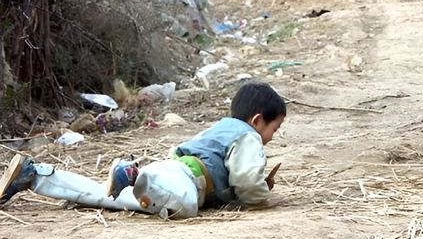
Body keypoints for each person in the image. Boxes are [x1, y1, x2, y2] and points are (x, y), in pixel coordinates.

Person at [0, 81, 286, 219]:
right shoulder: (248, 135)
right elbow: (247, 181)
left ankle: (35, 175)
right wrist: (262, 196)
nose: (271, 138)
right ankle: (133, 176)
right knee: (184, 208)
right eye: (273, 129)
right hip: (184, 180)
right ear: (257, 120)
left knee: (106, 195)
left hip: (168, 171)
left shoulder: (220, 127)